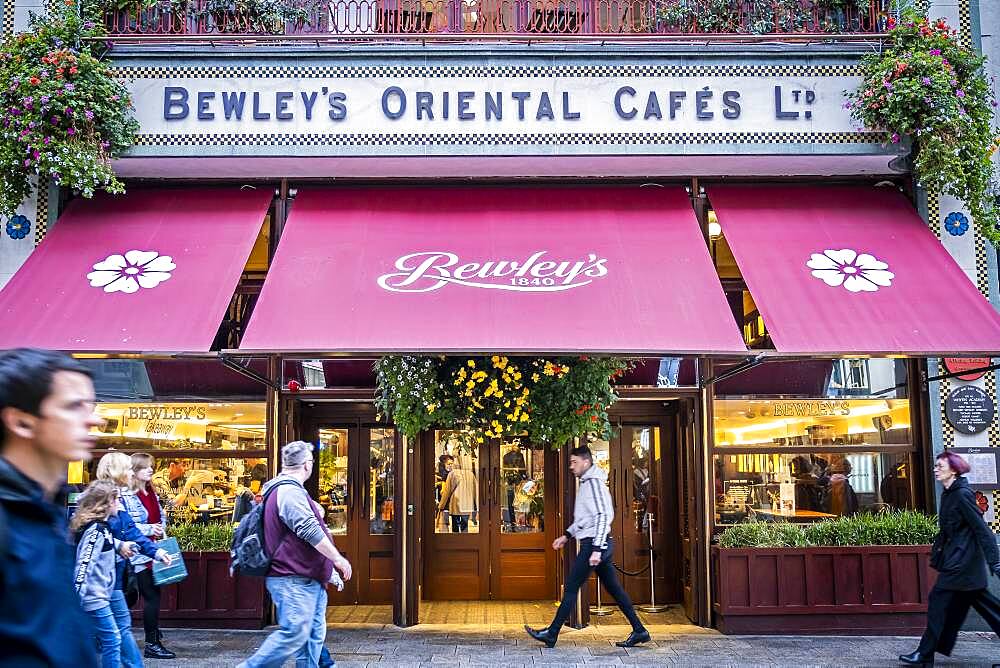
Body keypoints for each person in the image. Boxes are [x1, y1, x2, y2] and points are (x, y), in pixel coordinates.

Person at [0, 348, 102, 667]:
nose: (94, 419)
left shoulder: (46, 510)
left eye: (92, 406)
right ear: (22, 422)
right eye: (74, 407)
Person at [238, 441, 353, 668]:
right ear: (307, 464)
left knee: (311, 639)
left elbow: (303, 534)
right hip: (292, 578)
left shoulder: (291, 489)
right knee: (295, 634)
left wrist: (327, 570)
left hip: (308, 578)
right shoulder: (289, 492)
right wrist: (337, 559)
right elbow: (310, 531)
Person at [525, 445, 649, 648]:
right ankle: (640, 630)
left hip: (594, 543)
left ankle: (552, 633)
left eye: (574, 462)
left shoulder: (593, 484)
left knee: (572, 586)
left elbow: (602, 516)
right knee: (615, 589)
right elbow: (585, 519)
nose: (571, 466)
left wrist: (597, 549)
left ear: (586, 462)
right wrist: (567, 535)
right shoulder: (586, 483)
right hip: (595, 542)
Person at [899, 451, 1000, 665]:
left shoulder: (962, 494)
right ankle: (925, 655)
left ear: (953, 469)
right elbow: (947, 531)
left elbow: (981, 529)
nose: (935, 469)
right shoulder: (949, 493)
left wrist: (995, 561)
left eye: (940, 466)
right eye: (935, 466)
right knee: (991, 611)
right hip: (961, 565)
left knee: (937, 603)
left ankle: (924, 654)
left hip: (962, 566)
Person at [97, 452, 172, 668]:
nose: (149, 470)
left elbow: (133, 527)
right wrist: (125, 543)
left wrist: (156, 548)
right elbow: (119, 529)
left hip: (126, 562)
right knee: (118, 625)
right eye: (131, 468)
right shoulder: (112, 497)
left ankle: (136, 655)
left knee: (121, 625)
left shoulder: (140, 493)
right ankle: (148, 645)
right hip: (112, 567)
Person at [72, 480, 139, 668]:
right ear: (106, 503)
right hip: (94, 597)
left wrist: (121, 546)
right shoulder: (96, 530)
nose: (120, 503)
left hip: (100, 595)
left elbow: (108, 542)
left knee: (110, 638)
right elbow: (84, 565)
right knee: (112, 639)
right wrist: (76, 599)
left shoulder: (102, 528)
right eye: (116, 499)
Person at [128, 453, 175, 659]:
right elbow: (125, 525)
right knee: (150, 597)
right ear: (135, 470)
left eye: (151, 467)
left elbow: (161, 515)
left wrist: (159, 528)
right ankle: (151, 643)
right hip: (138, 554)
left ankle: (153, 636)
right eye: (146, 467)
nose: (151, 470)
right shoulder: (127, 495)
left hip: (155, 550)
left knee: (153, 596)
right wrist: (149, 530)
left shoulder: (150, 491)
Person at [438, 459, 477, 532]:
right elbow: (475, 490)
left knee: (455, 527)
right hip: (467, 504)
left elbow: (447, 491)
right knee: (465, 527)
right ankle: (465, 541)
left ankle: (456, 542)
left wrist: (441, 505)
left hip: (456, 504)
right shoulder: (470, 474)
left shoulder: (452, 474)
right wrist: (476, 504)